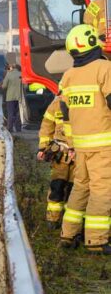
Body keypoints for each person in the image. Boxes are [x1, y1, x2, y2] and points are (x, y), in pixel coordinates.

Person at [59, 24, 111, 253]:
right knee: (102, 190)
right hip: (104, 145)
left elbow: (65, 112)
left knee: (81, 188)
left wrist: (71, 144)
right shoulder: (105, 68)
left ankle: (68, 234)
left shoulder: (68, 76)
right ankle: (97, 240)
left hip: (81, 146)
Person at [37, 92, 74, 226]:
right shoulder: (56, 104)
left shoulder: (81, 103)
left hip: (78, 154)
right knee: (57, 186)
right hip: (60, 154)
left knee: (74, 189)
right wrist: (43, 147)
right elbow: (46, 126)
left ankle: (69, 221)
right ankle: (53, 218)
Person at [2, 63, 22, 133]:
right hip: (19, 97)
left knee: (11, 113)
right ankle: (18, 128)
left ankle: (10, 128)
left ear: (12, 68)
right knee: (18, 113)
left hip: (10, 97)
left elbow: (4, 86)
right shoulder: (21, 74)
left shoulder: (9, 74)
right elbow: (25, 86)